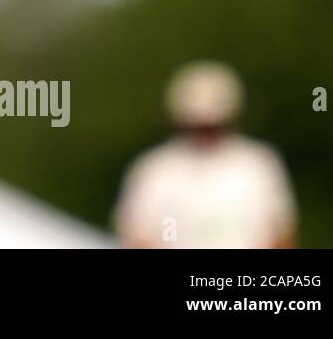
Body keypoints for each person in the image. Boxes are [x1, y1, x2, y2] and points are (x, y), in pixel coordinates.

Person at [112, 61, 298, 248]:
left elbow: (280, 236)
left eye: (212, 126)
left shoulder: (258, 164)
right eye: (197, 126)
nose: (205, 135)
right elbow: (137, 239)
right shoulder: (154, 170)